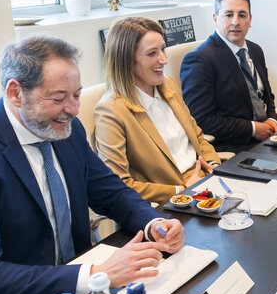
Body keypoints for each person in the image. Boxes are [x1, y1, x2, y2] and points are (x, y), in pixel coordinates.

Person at [0, 36, 184, 294]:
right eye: (59, 98)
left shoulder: (68, 129)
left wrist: (153, 224)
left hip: (85, 292)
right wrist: (94, 275)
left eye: (76, 94)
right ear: (15, 93)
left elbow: (111, 193)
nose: (73, 110)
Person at [94, 17, 220, 204]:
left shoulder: (167, 84)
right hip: (171, 203)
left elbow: (198, 137)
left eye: (163, 49)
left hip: (206, 183)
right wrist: (183, 190)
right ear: (127, 60)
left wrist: (213, 166)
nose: (164, 59)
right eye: (152, 53)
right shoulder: (111, 110)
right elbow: (119, 184)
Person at [180, 0, 277, 153]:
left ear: (250, 20)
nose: (235, 22)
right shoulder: (200, 59)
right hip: (235, 147)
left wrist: (273, 119)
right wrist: (253, 129)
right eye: (228, 15)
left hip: (269, 140)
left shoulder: (255, 50)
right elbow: (201, 120)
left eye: (242, 15)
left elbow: (266, 96)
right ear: (215, 18)